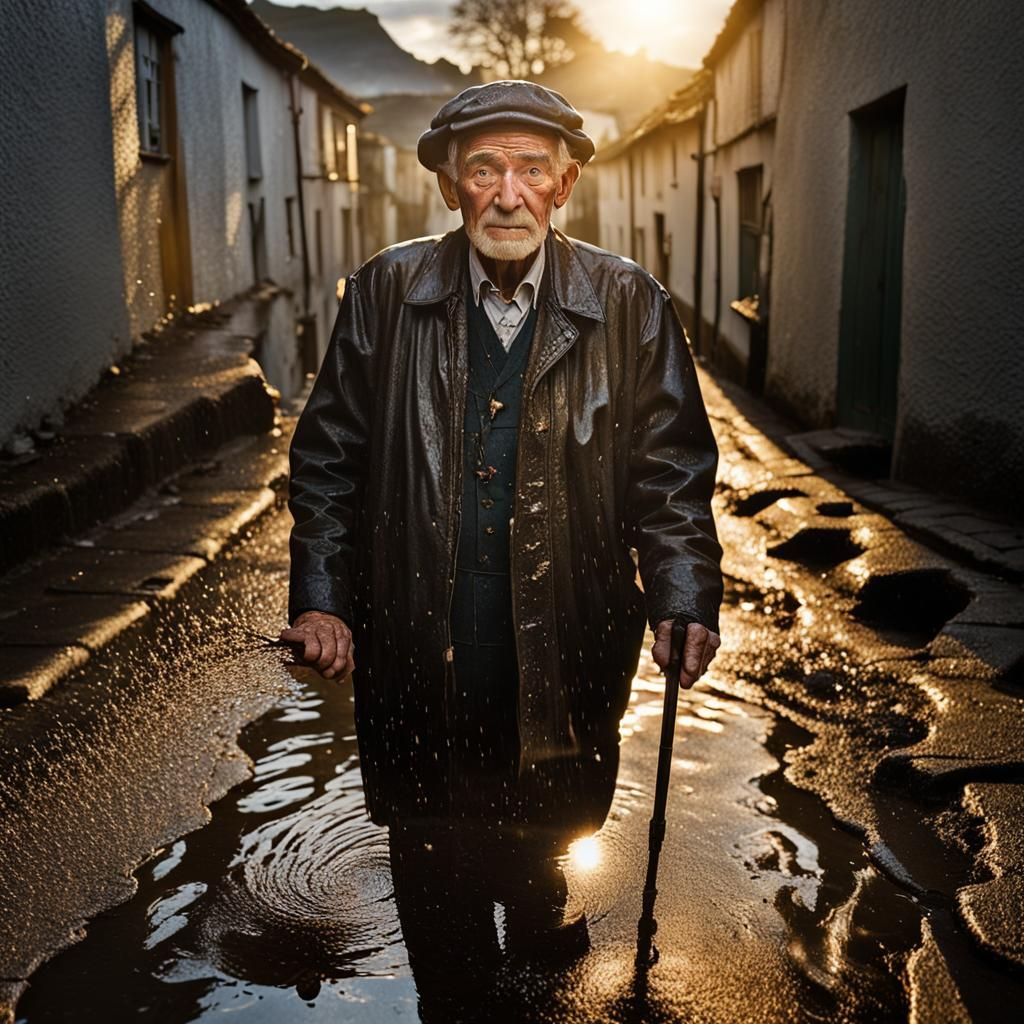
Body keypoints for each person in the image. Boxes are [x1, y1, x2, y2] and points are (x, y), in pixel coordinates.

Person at [282, 80, 722, 837]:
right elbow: (327, 463)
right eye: (484, 170)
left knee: (549, 865)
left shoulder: (630, 302)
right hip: (415, 651)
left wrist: (682, 597)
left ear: (564, 186)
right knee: (423, 858)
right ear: (451, 187)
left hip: (570, 652)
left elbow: (672, 477)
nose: (508, 196)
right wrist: (321, 600)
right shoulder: (386, 291)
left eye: (532, 170)